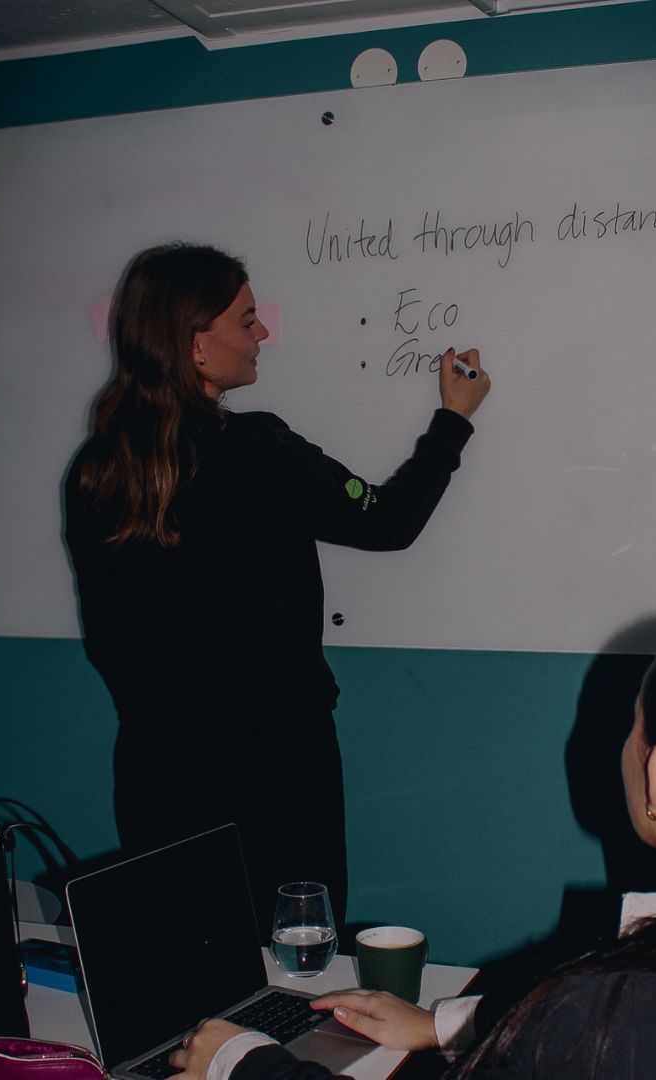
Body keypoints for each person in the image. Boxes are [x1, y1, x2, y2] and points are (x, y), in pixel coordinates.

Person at [170, 609, 656, 1079]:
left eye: (634, 723)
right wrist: (449, 1024)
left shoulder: (604, 1021)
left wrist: (241, 1062)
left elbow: (588, 1036)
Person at [64, 242, 490, 937]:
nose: (262, 334)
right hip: (277, 773)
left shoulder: (98, 472)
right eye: (246, 320)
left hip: (158, 771)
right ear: (196, 345)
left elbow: (111, 642)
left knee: (183, 962)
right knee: (293, 969)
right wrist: (455, 418)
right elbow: (388, 520)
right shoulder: (255, 450)